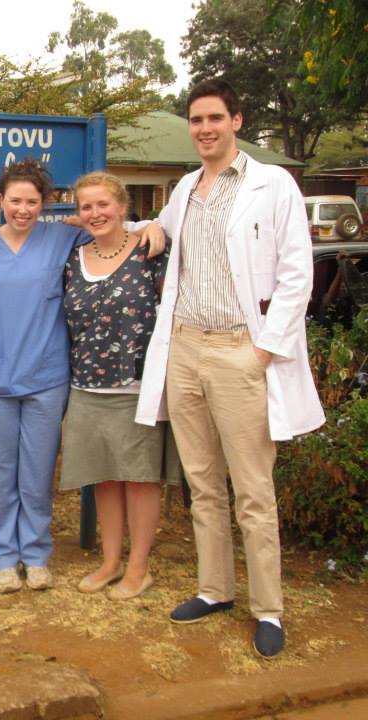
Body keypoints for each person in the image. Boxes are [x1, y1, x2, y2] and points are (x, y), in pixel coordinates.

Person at [135, 79, 325, 658]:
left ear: (237, 121)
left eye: (215, 118)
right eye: (196, 120)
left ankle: (268, 609)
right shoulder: (186, 187)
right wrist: (148, 227)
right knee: (202, 482)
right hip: (186, 349)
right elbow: (163, 231)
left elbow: (297, 272)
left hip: (242, 350)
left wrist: (264, 348)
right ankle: (214, 589)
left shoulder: (274, 185)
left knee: (252, 488)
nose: (205, 129)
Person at [0, 159, 164, 594]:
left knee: (38, 473)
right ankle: (3, 555)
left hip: (47, 377)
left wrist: (152, 223)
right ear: (1, 201)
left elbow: (112, 228)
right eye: (15, 200)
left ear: (45, 204)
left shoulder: (65, 239)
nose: (23, 209)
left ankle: (36, 554)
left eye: (32, 201)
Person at [59, 171, 179, 600]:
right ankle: (111, 562)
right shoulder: (75, 258)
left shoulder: (150, 251)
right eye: (86, 206)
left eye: (103, 205)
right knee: (105, 477)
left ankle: (138, 568)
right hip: (86, 386)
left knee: (140, 478)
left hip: (137, 387)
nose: (95, 213)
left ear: (122, 208)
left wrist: (149, 226)